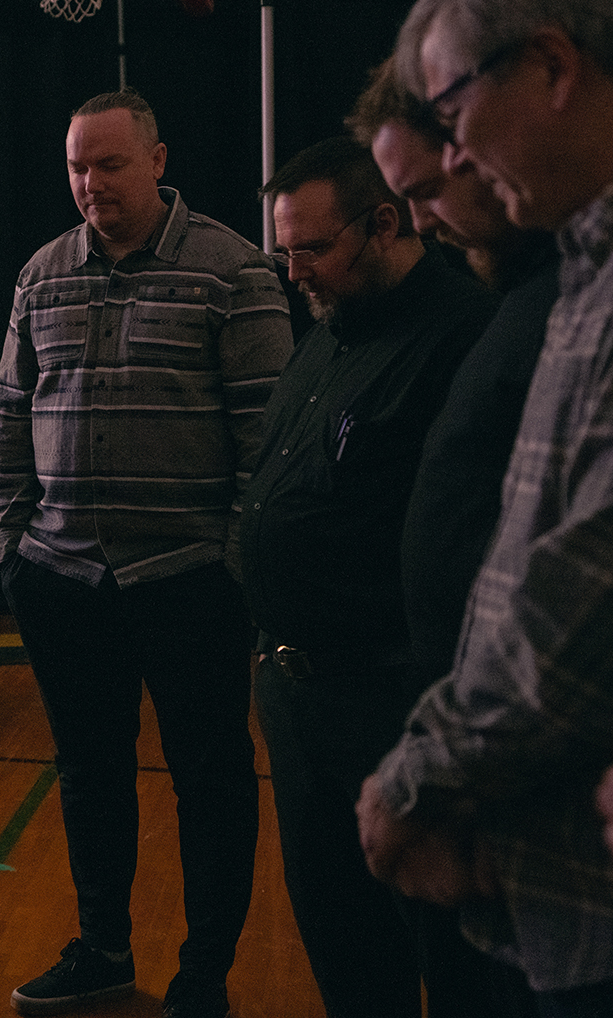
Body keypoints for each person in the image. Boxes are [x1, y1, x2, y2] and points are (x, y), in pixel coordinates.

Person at [0, 91, 292, 1018]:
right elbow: (7, 418)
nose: (90, 183)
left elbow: (268, 441)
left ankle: (205, 975)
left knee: (211, 782)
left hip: (189, 581)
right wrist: (12, 549)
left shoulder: (231, 270)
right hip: (62, 579)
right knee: (90, 778)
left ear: (157, 161)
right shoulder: (42, 274)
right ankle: (103, 950)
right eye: (77, 166)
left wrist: (231, 567)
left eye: (109, 164)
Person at [358, 0, 613, 1015]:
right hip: (554, 883)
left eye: (456, 111)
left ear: (552, 64)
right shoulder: (580, 266)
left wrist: (419, 779)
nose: (454, 154)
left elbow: (588, 587)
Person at [239, 136, 497, 1018]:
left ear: (385, 223)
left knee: (449, 960)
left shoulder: (463, 335)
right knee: (343, 946)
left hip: (391, 703)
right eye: (284, 252)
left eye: (312, 249)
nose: (294, 272)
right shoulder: (326, 334)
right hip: (299, 702)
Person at [345, 64, 551, 1018]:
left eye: (431, 187)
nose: (425, 222)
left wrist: (437, 771)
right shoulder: (529, 298)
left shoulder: (559, 304)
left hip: (526, 771)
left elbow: (567, 583)